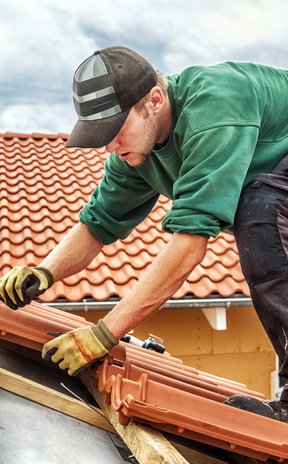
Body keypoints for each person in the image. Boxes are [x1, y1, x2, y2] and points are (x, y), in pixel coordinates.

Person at [1, 45, 288, 422]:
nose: (109, 145)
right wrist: (45, 271)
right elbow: (97, 223)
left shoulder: (215, 106)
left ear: (154, 100)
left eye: (115, 131)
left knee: (258, 212)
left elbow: (189, 246)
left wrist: (105, 334)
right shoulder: (135, 153)